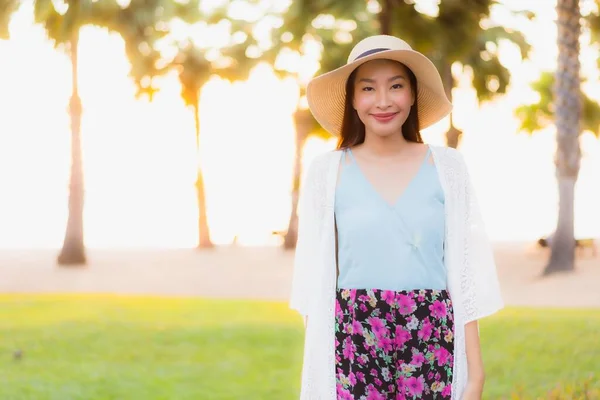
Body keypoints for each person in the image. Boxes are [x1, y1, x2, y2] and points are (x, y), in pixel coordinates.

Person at [289, 35, 504, 400]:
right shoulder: (327, 172)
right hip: (353, 341)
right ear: (353, 99)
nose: (384, 101)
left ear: (413, 94)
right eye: (368, 88)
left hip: (433, 337)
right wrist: (319, 375)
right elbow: (313, 281)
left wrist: (476, 377)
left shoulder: (448, 167)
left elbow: (466, 275)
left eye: (396, 86)